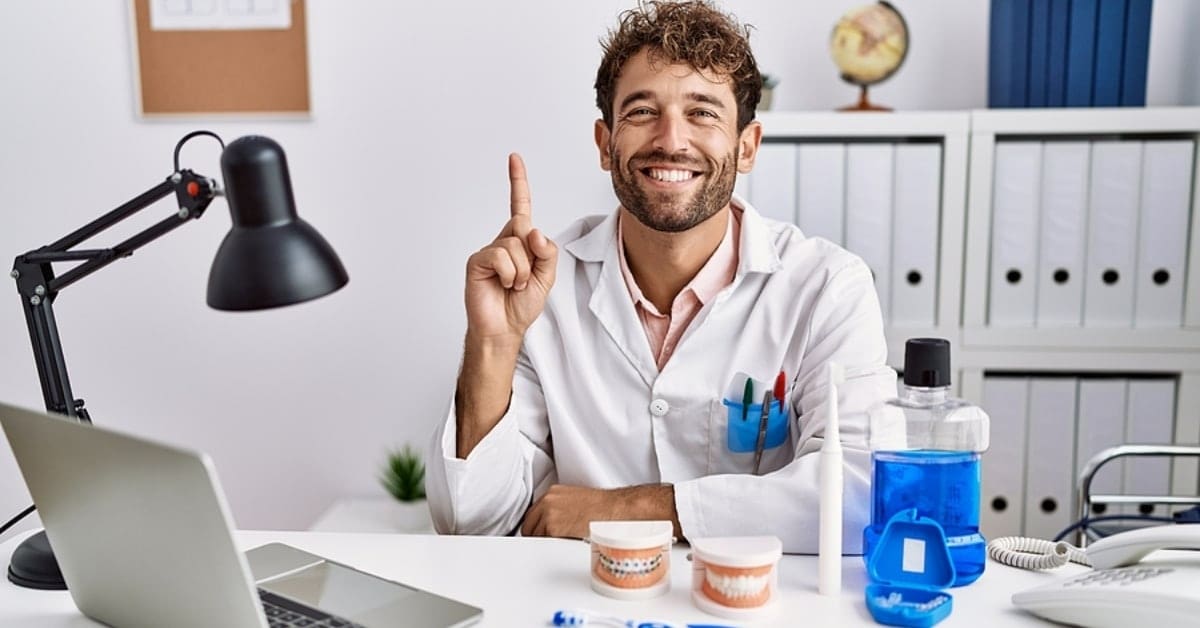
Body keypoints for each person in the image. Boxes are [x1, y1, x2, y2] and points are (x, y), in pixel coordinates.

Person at [426, 0, 896, 553]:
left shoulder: (827, 287)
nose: (671, 140)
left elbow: (863, 497)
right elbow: (472, 523)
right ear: (606, 144)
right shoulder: (540, 289)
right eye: (643, 111)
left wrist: (631, 510)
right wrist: (494, 342)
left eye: (703, 113)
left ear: (747, 146)